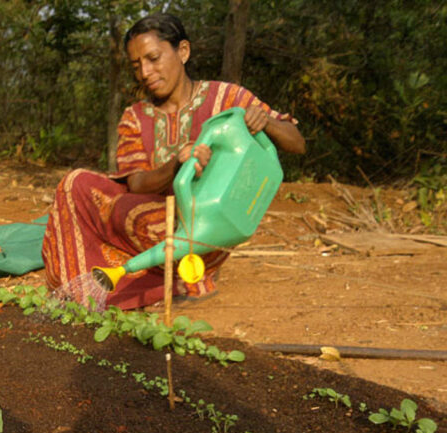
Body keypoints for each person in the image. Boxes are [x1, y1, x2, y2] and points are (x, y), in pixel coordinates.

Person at [41, 13, 305, 309]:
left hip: (208, 230)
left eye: (153, 58)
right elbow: (137, 183)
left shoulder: (227, 98)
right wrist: (176, 165)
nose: (145, 72)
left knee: (158, 222)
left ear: (183, 51)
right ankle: (82, 290)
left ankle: (182, 277)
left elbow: (297, 143)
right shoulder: (134, 117)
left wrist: (266, 122)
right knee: (75, 184)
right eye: (136, 66)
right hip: (150, 223)